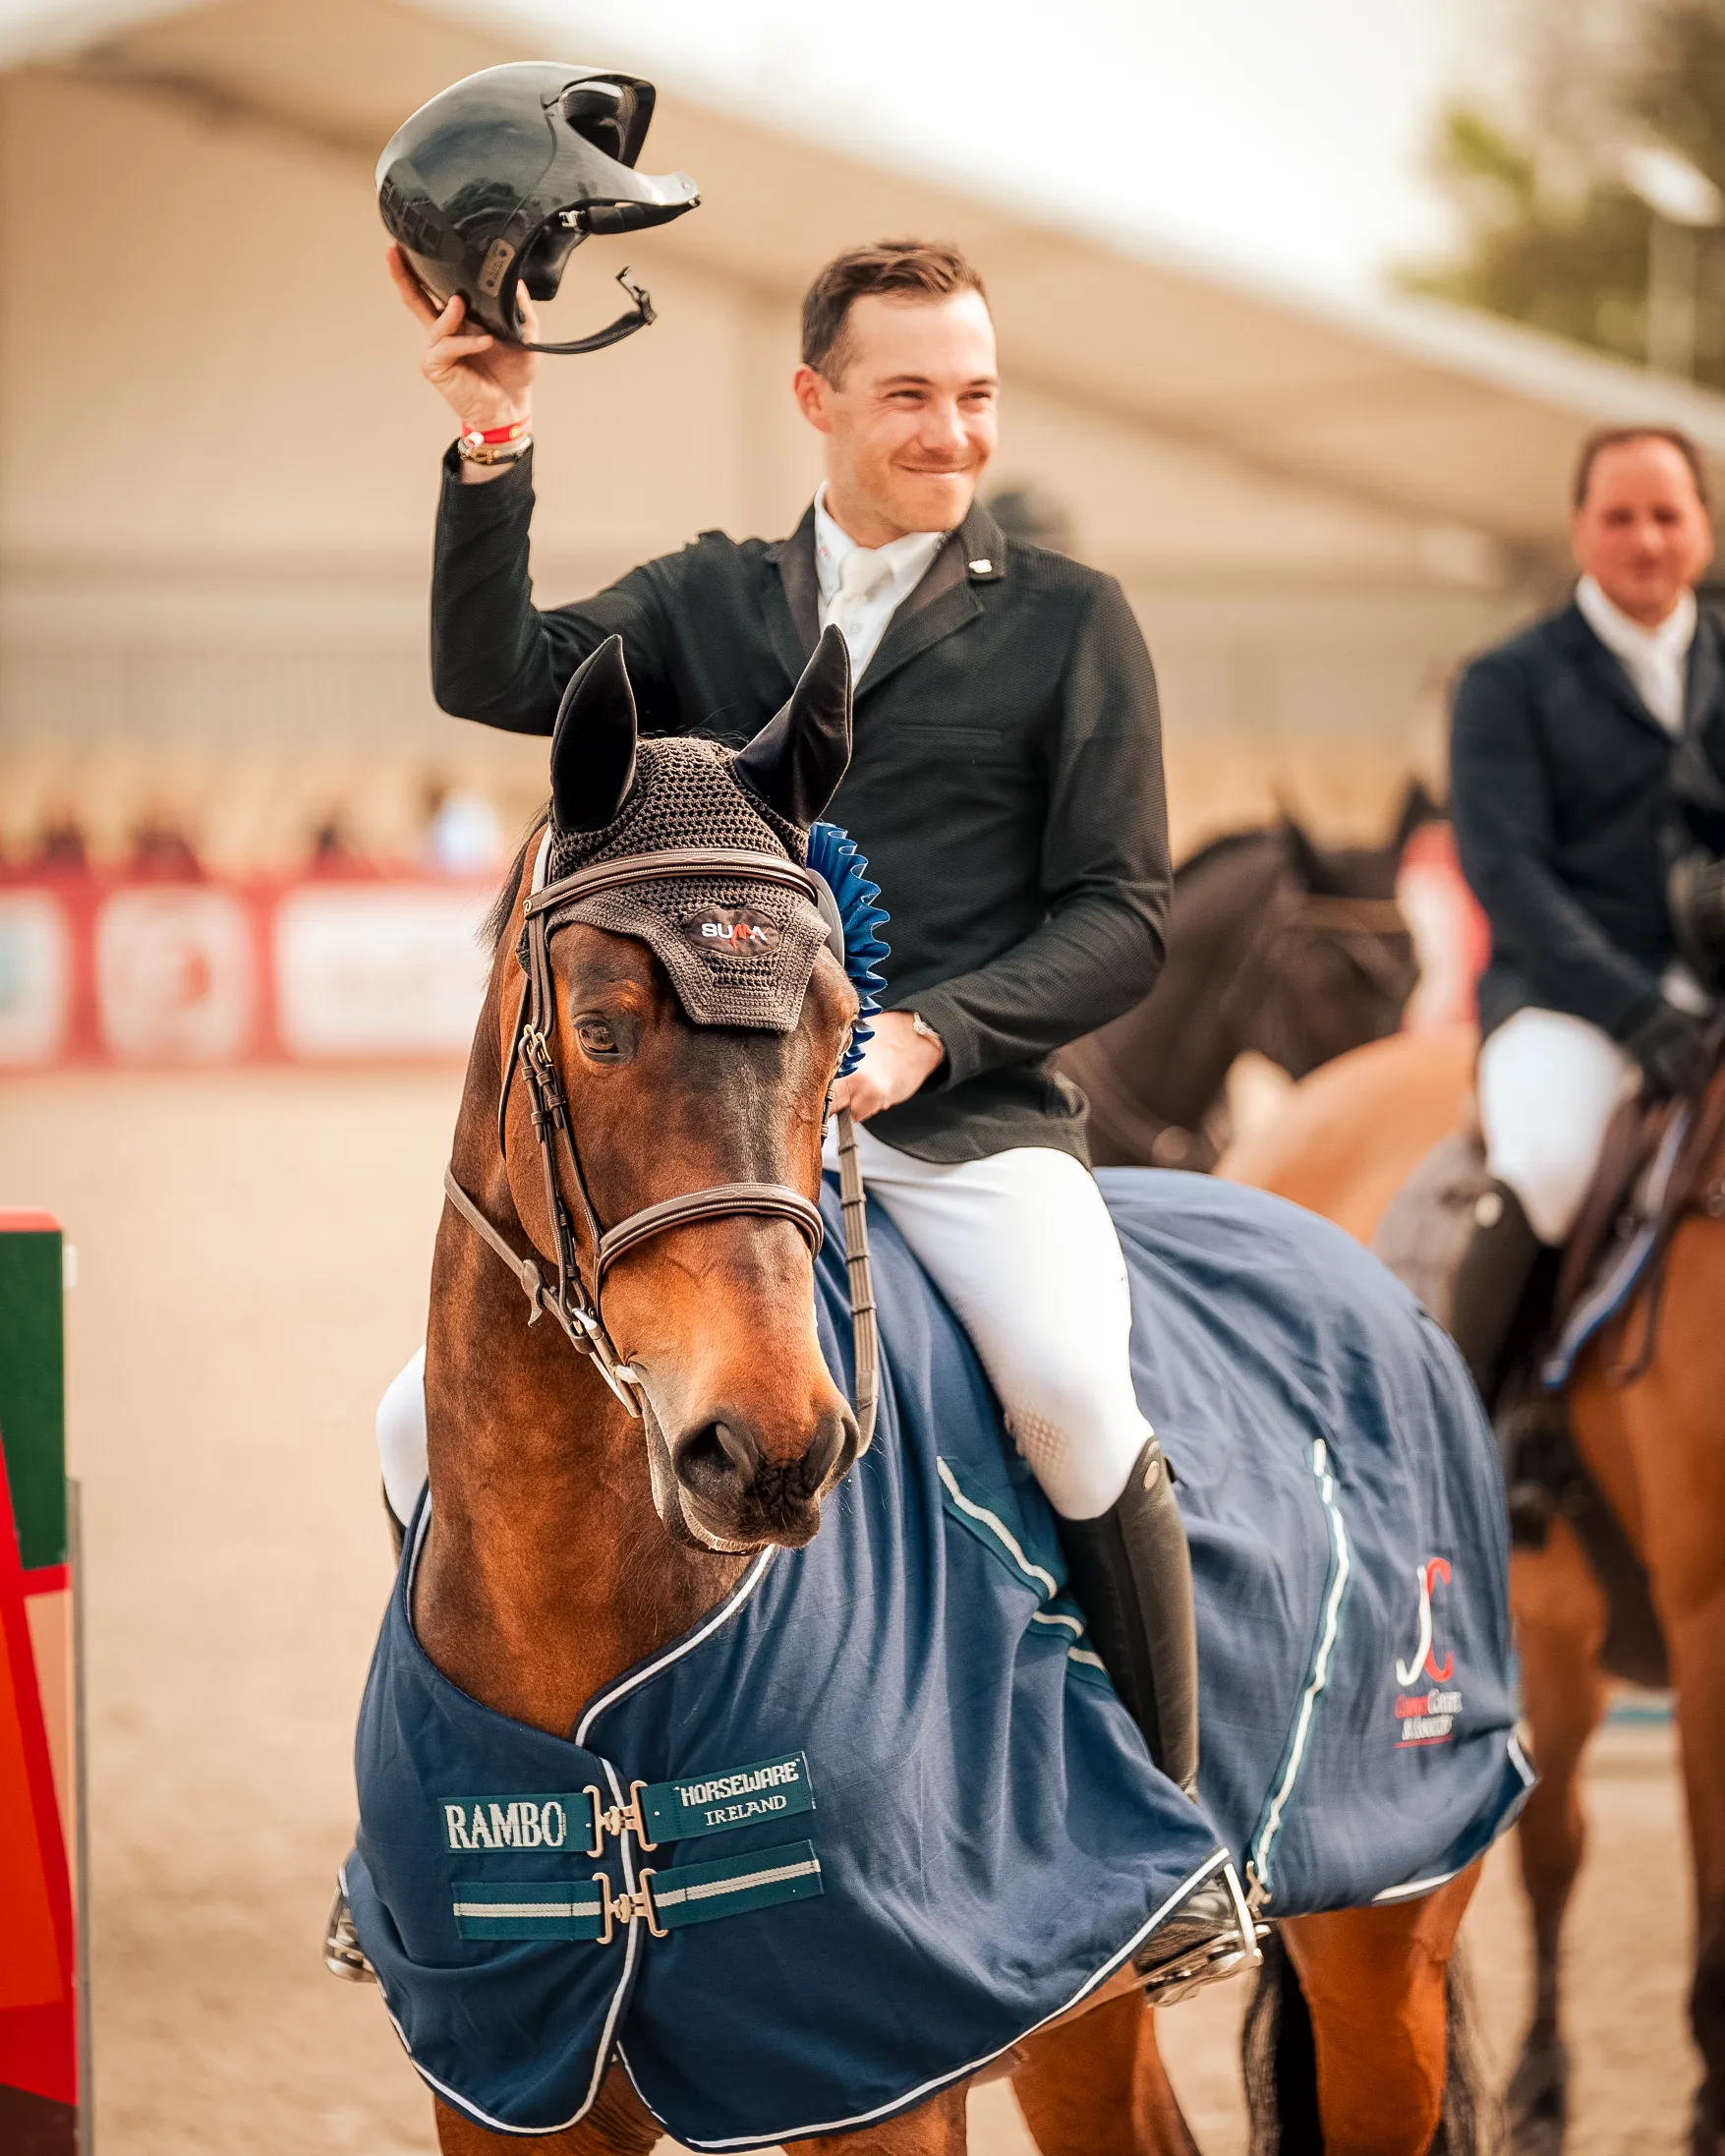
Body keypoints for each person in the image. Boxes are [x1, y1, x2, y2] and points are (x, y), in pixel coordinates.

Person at [386, 233, 1237, 1970]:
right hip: (718, 1119)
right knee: (415, 1425)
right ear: (818, 400)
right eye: (912, 392)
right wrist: (494, 440)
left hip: (958, 1117)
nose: (951, 430)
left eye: (977, 395)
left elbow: (1124, 912)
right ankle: (453, 1832)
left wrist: (935, 1034)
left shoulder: (1071, 620)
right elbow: (495, 674)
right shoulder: (710, 600)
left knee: (1075, 1390)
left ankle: (1163, 1855)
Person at [1448, 426, 1725, 1403]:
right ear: (1579, 530)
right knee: (1553, 1164)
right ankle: (1473, 1424)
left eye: (1666, 514)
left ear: (1702, 524)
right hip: (1570, 1001)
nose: (1645, 539)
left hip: (1715, 995)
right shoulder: (1507, 682)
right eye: (1620, 517)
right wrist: (1633, 1009)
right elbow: (1506, 873)